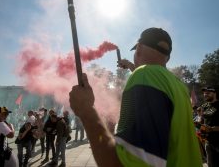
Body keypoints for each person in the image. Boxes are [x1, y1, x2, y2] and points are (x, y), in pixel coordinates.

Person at [69, 27, 202, 167]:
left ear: (138, 48)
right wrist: (133, 67)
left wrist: (86, 110)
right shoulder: (179, 86)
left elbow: (122, 164)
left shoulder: (144, 75)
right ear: (167, 58)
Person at [201, 86, 219, 167]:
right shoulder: (204, 106)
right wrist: (198, 124)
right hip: (208, 141)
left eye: (208, 93)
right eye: (204, 93)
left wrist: (212, 129)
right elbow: (202, 121)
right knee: (210, 164)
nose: (205, 94)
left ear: (214, 93)